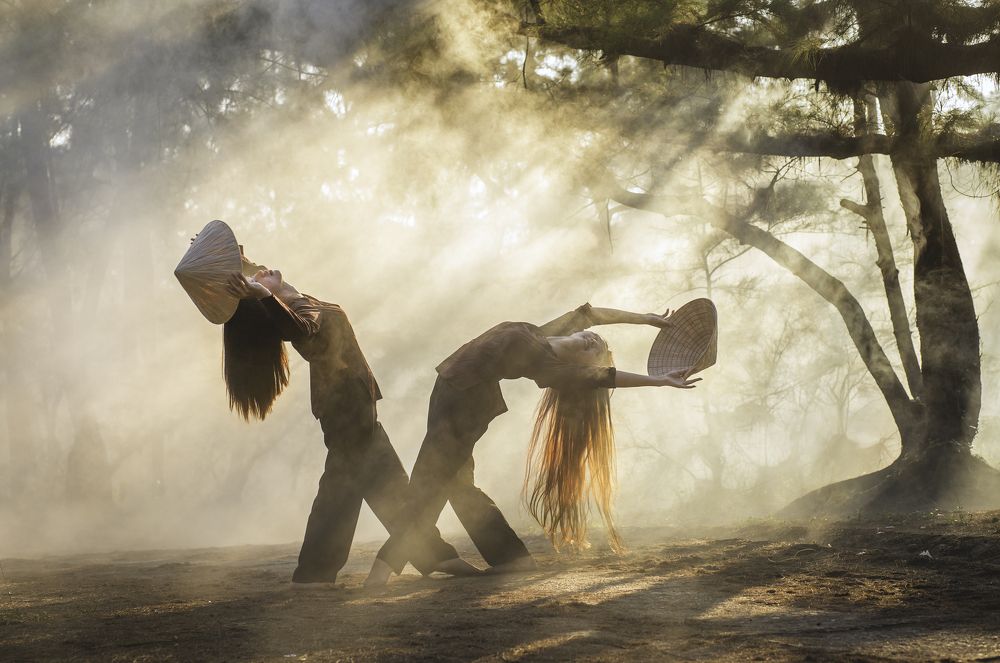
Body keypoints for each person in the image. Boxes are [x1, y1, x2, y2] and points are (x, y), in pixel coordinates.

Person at [364, 304, 699, 586]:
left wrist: (659, 381)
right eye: (595, 339)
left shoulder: (548, 365)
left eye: (596, 352)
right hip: (449, 389)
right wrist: (647, 319)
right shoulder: (545, 334)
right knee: (457, 484)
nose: (595, 341)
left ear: (581, 367)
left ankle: (384, 566)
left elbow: (606, 377)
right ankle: (505, 557)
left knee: (430, 484)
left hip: (464, 405)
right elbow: (592, 313)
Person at [222, 265, 478, 584]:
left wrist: (229, 260)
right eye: (258, 278)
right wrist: (262, 293)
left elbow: (260, 278)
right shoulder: (297, 310)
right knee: (345, 486)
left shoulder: (292, 298)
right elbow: (300, 331)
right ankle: (316, 573)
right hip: (347, 407)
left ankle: (432, 554)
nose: (263, 270)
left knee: (383, 483)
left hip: (352, 404)